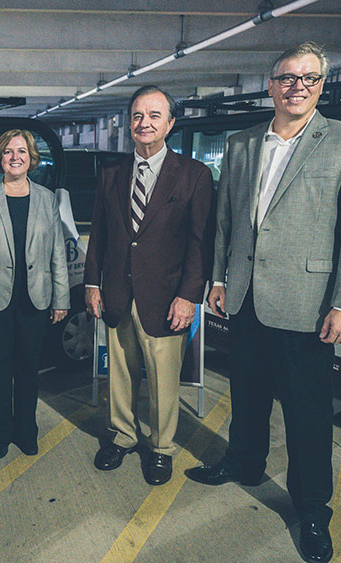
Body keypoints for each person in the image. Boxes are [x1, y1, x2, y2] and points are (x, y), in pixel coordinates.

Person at [186, 42, 341, 563]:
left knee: (308, 414)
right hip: (247, 296)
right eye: (287, 77)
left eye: (309, 77)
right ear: (271, 85)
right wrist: (219, 279)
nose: (298, 86)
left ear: (322, 84)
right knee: (247, 393)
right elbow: (228, 218)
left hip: (309, 304)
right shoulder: (242, 143)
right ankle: (245, 462)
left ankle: (313, 508)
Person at [84, 85, 214, 486]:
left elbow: (200, 243)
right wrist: (92, 284)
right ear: (130, 123)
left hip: (166, 298)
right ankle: (122, 435)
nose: (145, 123)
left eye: (155, 115)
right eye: (138, 115)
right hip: (118, 293)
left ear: (170, 123)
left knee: (163, 380)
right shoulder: (111, 173)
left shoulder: (194, 175)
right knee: (120, 374)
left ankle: (160, 449)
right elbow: (101, 236)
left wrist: (189, 296)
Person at [0, 129, 70, 459]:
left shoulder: (47, 198)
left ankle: (26, 430)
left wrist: (61, 299)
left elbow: (56, 252)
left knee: (28, 370)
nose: (15, 157)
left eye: (21, 151)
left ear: (32, 158)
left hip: (35, 299)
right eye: (8, 152)